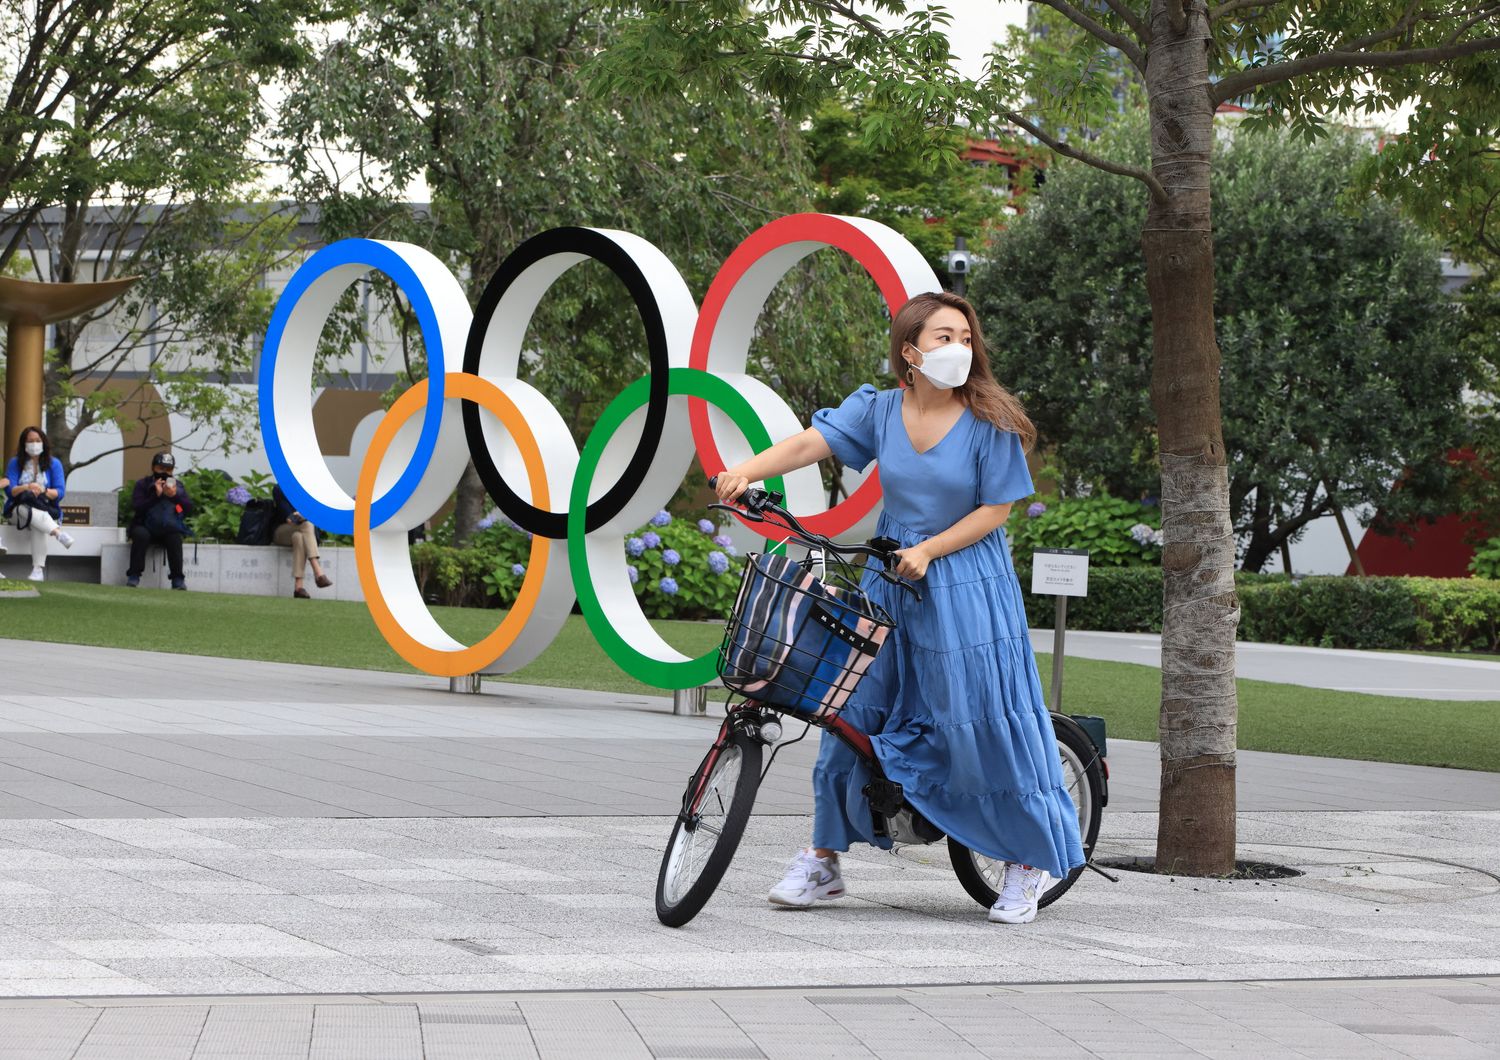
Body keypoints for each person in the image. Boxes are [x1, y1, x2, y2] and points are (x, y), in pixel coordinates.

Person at [714, 292, 1085, 926]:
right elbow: (811, 444)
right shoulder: (880, 409)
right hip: (891, 579)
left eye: (965, 337)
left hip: (965, 584)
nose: (959, 349)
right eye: (944, 338)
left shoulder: (989, 421)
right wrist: (743, 471)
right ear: (910, 352)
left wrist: (931, 550)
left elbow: (996, 509)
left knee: (978, 715)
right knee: (850, 708)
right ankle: (824, 860)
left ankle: (1027, 862)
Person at [3, 426, 75, 581]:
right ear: (24, 444)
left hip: (44, 509)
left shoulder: (54, 464)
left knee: (37, 523)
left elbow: (60, 492)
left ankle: (37, 570)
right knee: (25, 509)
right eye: (30, 441)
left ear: (43, 443)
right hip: (17, 511)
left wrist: (43, 490)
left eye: (37, 441)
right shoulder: (15, 463)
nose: (34, 444)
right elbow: (10, 491)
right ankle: (58, 533)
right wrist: (28, 487)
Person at [126, 452, 193, 589]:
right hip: (144, 526)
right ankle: (134, 576)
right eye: (161, 469)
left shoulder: (177, 486)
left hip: (167, 527)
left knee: (174, 538)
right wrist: (155, 496)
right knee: (140, 535)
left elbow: (186, 509)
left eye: (168, 470)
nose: (164, 473)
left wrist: (174, 497)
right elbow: (137, 507)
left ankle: (177, 579)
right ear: (153, 468)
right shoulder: (143, 484)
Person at [272, 483, 331, 598]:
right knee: (307, 524)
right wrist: (303, 515)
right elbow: (289, 518)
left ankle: (298, 588)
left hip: (300, 532)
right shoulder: (280, 488)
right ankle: (318, 570)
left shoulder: (308, 490)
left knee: (299, 537)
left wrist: (305, 514)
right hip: (281, 532)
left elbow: (318, 513)